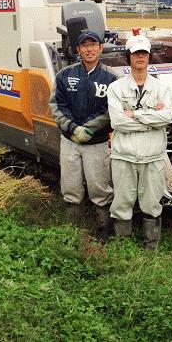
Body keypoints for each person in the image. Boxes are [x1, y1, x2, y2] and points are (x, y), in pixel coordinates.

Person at [107, 34, 172, 250]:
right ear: (129, 56)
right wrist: (151, 120)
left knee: (152, 203)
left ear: (149, 57)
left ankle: (151, 246)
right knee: (122, 202)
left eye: (144, 53)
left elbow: (167, 117)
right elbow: (117, 122)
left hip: (153, 156)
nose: (140, 57)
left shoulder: (160, 87)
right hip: (123, 155)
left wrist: (135, 115)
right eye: (136, 53)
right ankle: (122, 245)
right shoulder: (116, 88)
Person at [49, 30, 118, 240]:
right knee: (70, 186)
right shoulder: (65, 75)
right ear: (78, 50)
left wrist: (90, 128)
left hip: (97, 143)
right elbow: (57, 105)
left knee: (99, 187)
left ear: (100, 48)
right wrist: (72, 128)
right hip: (70, 141)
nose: (89, 49)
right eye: (84, 46)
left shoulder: (111, 77)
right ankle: (73, 231)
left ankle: (104, 232)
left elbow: (111, 109)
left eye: (93, 45)